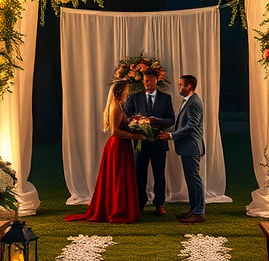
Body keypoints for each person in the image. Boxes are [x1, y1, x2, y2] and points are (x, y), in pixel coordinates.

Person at [66, 80, 142, 224]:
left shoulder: (118, 106)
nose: (127, 94)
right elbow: (115, 132)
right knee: (118, 178)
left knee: (119, 177)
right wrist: (134, 135)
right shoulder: (116, 108)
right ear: (120, 92)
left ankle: (121, 207)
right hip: (118, 146)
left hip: (122, 146)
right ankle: (117, 209)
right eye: (126, 91)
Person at [124, 68, 175, 217]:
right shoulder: (134, 97)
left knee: (159, 174)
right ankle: (140, 203)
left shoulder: (165, 98)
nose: (147, 83)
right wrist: (136, 122)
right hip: (141, 143)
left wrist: (157, 121)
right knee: (139, 174)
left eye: (150, 80)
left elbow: (171, 119)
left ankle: (159, 203)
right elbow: (127, 117)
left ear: (156, 80)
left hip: (159, 143)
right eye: (145, 80)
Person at [158, 74, 205, 224]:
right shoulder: (189, 101)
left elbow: (191, 127)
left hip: (191, 147)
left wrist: (171, 136)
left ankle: (198, 213)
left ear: (189, 86)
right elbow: (182, 124)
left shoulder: (194, 103)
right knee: (191, 181)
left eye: (180, 85)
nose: (179, 88)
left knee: (194, 181)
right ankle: (194, 209)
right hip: (187, 148)